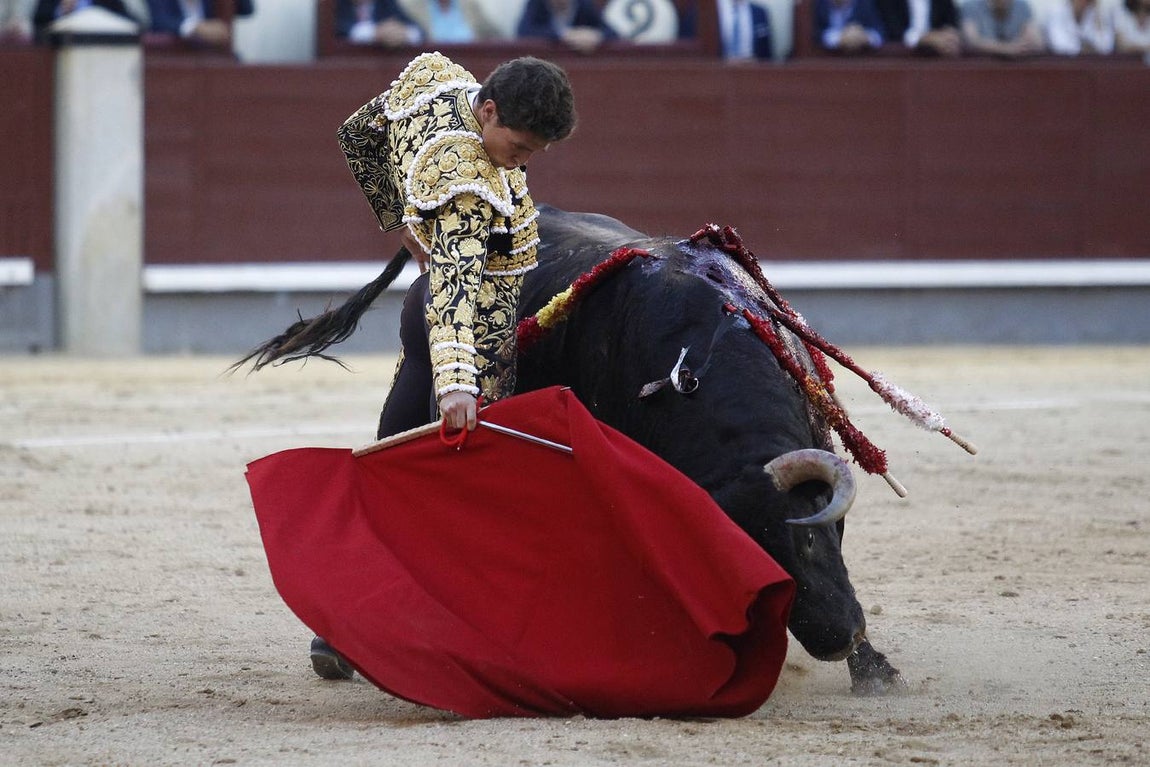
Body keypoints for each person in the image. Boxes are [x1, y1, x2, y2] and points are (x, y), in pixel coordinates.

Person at [310, 52, 577, 679]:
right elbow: (453, 286)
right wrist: (459, 383)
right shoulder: (466, 180)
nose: (523, 159)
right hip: (466, 338)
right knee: (462, 499)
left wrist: (397, 217)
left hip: (418, 320)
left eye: (536, 151)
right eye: (517, 143)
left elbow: (356, 133)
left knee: (393, 468)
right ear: (488, 111)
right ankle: (456, 637)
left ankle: (340, 629)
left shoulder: (439, 86)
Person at [516, 0, 617, 53]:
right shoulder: (537, 3)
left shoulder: (583, 4)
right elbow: (524, 31)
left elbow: (612, 32)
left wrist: (596, 36)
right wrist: (563, 35)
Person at [146, 0, 253, 48]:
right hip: (172, 58)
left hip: (214, 57)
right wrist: (195, 27)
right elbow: (159, 21)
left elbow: (246, 9)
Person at [876, 0, 963, 56]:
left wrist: (950, 37)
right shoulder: (889, 2)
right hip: (900, 59)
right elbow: (892, 30)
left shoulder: (942, 2)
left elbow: (951, 23)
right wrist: (925, 39)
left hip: (937, 58)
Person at [960, 0, 1045, 57]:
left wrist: (1028, 44)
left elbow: (1037, 42)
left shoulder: (1022, 6)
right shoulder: (971, 6)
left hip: (1016, 69)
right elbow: (971, 41)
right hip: (980, 68)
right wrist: (1006, 48)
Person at [395, 0, 503, 42]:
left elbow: (496, 35)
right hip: (430, 74)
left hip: (470, 71)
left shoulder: (469, 5)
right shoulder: (413, 7)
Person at [335, 0, 419, 46]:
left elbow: (418, 31)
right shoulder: (334, 4)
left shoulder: (385, 2)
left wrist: (404, 33)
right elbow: (338, 29)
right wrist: (374, 33)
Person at [1045, 0, 1116, 54]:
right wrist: (1082, 49)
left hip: (1092, 66)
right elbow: (1059, 45)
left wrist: (1098, 13)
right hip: (1064, 66)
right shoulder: (1056, 12)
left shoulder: (1097, 14)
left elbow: (1106, 47)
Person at [814, 0, 886, 53]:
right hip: (827, 62)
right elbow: (813, 34)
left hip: (860, 62)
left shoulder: (865, 4)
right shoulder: (817, 5)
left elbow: (880, 33)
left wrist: (865, 37)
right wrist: (838, 38)